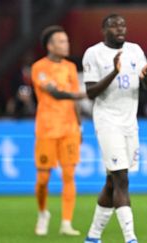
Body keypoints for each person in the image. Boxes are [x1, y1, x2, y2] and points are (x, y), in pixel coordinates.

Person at [82, 14, 147, 243]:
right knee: (122, 179)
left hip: (129, 123)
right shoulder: (93, 53)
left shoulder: (135, 50)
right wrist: (114, 71)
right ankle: (131, 238)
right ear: (104, 30)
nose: (120, 29)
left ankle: (93, 237)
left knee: (112, 181)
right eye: (114, 26)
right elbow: (91, 92)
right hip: (107, 122)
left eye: (122, 25)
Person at [31, 25, 86, 236]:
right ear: (50, 45)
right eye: (61, 41)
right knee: (43, 179)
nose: (66, 44)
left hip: (69, 128)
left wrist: (79, 126)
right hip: (46, 128)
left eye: (66, 40)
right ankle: (43, 212)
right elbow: (54, 92)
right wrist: (80, 95)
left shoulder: (70, 67)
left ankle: (66, 222)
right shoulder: (39, 67)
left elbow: (74, 103)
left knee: (69, 175)